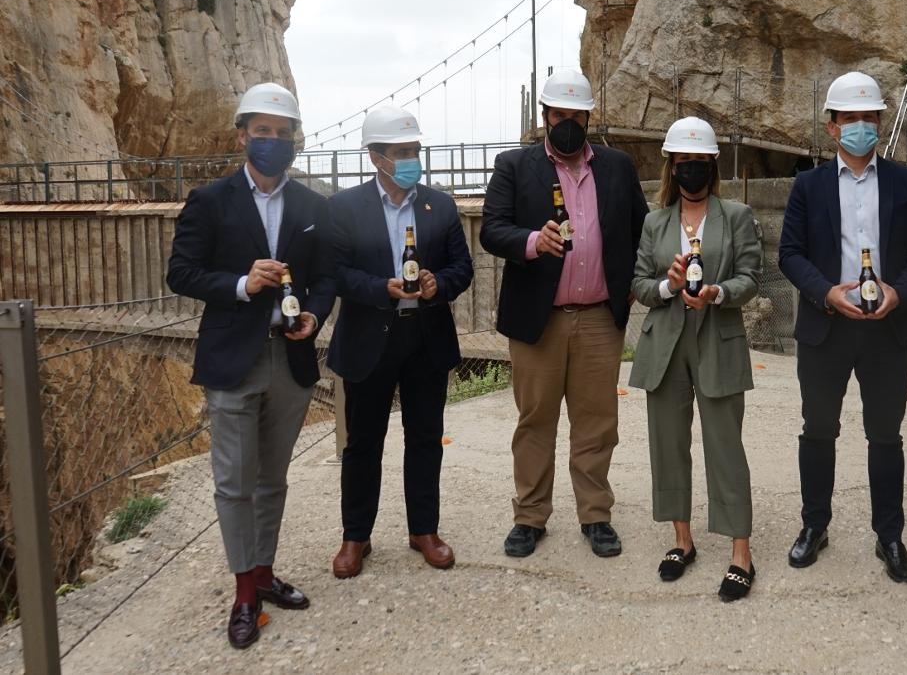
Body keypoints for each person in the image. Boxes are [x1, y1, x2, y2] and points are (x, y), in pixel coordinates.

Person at [167, 82, 335, 649]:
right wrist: (241, 284)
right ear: (242, 136)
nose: (272, 141)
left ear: (293, 141)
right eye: (261, 132)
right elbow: (182, 273)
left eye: (281, 134)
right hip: (232, 359)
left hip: (289, 359)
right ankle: (243, 592)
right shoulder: (210, 201)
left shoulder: (313, 206)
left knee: (272, 480)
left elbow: (327, 275)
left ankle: (264, 574)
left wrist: (314, 312)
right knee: (234, 484)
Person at [481, 68, 648, 558]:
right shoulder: (514, 166)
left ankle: (595, 514)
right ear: (545, 118)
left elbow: (642, 229)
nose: (568, 123)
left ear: (588, 116)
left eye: (576, 115)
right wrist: (532, 242)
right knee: (535, 421)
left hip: (600, 315)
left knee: (597, 422)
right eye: (559, 115)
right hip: (539, 317)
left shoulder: (617, 167)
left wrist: (635, 282)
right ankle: (530, 516)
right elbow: (493, 229)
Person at [778, 71, 907, 583]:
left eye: (869, 117)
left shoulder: (906, 182)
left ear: (880, 123)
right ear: (831, 127)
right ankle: (813, 526)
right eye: (850, 118)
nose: (860, 126)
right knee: (818, 431)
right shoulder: (809, 185)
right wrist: (825, 292)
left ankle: (889, 534)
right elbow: (790, 254)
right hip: (827, 326)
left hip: (886, 327)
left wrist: (900, 292)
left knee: (885, 435)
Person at [325, 105, 474, 579]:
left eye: (415, 150)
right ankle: (356, 537)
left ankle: (423, 530)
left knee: (426, 439)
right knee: (363, 443)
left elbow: (461, 269)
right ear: (375, 157)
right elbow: (336, 273)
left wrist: (438, 284)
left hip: (425, 337)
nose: (411, 159)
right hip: (370, 336)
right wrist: (379, 289)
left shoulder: (441, 205)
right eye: (401, 152)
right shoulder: (344, 208)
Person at [630, 117, 762, 601]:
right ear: (672, 166)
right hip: (665, 341)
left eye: (700, 163)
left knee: (725, 445)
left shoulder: (737, 215)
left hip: (717, 336)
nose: (691, 171)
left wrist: (719, 292)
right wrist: (668, 284)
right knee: (668, 443)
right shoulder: (654, 222)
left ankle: (740, 553)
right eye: (683, 163)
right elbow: (640, 284)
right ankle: (681, 541)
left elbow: (751, 275)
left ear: (712, 166)